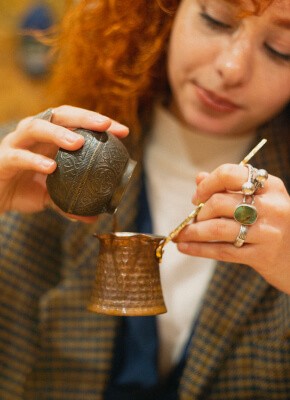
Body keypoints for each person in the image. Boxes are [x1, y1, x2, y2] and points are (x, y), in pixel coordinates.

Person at [0, 0, 289, 398]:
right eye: (216, 20)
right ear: (163, 13)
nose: (231, 68)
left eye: (281, 49)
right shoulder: (34, 161)